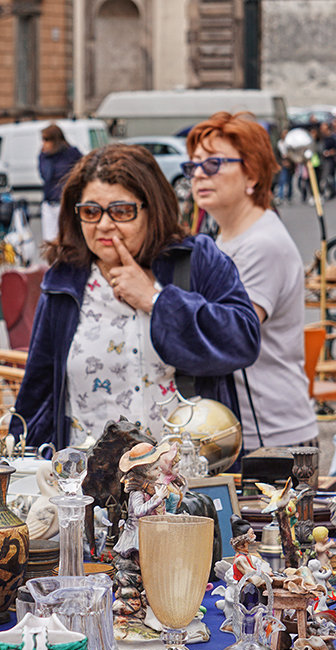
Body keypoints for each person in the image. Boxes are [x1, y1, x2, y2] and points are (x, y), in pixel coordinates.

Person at [13, 143, 261, 451]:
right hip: (90, 485)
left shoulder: (196, 260)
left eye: (121, 211)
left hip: (185, 483)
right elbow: (38, 395)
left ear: (150, 209)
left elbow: (243, 340)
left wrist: (157, 301)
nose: (104, 224)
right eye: (91, 212)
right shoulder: (65, 281)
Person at [185, 111, 319, 453]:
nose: (199, 175)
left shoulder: (261, 244)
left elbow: (225, 337)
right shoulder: (226, 237)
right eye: (194, 165)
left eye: (213, 164)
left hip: (272, 437)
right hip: (240, 429)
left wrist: (154, 300)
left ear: (252, 174)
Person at [38, 123, 83, 243]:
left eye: (47, 139)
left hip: (66, 203)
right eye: (43, 139)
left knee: (67, 239)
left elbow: (83, 172)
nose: (44, 143)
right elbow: (45, 175)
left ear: (56, 139)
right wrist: (47, 157)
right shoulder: (44, 156)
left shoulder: (72, 154)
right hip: (49, 202)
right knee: (49, 240)